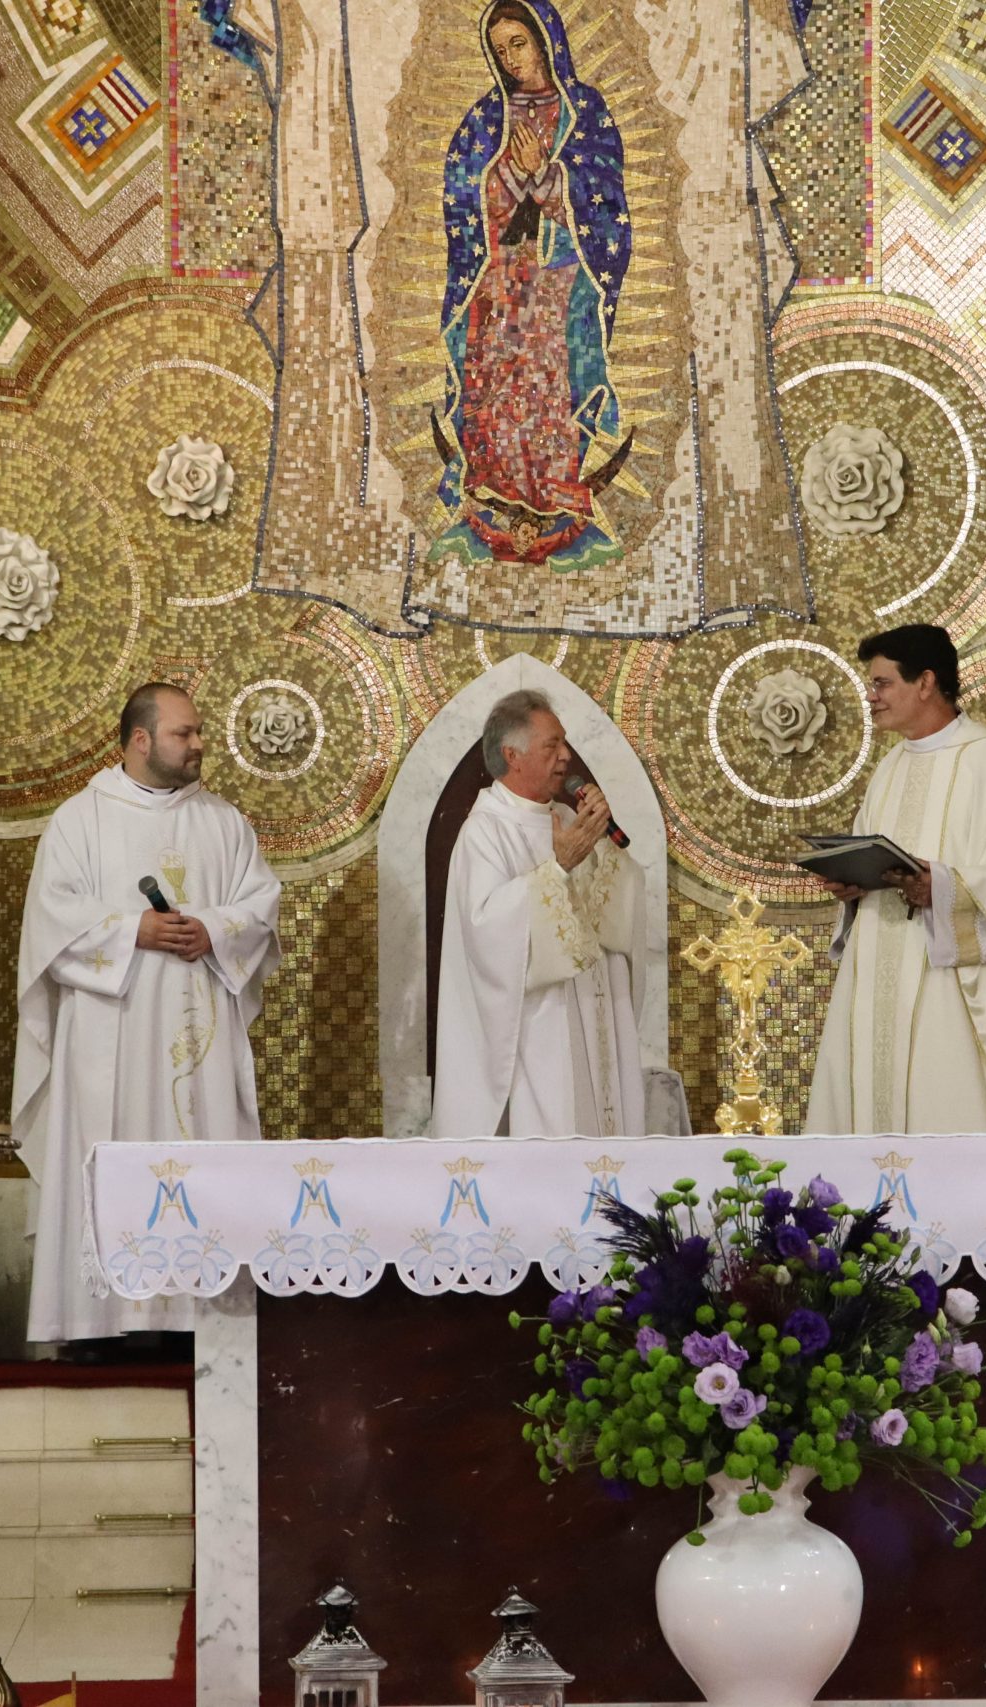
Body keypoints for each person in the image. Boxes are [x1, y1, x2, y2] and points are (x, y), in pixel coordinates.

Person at [14, 683, 282, 1344]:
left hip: (200, 1040)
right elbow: (50, 919)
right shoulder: (81, 820)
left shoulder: (224, 822)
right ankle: (98, 1325)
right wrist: (134, 929)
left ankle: (200, 1320)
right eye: (183, 733)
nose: (198, 745)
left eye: (197, 732)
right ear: (140, 740)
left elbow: (260, 906)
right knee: (112, 1153)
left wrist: (212, 929)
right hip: (111, 1038)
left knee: (202, 1158)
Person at [804, 624, 986, 1135]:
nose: (871, 696)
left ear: (926, 682)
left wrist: (943, 886)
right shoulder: (889, 769)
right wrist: (853, 886)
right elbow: (870, 853)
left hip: (950, 982)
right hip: (877, 971)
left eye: (882, 683)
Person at [430, 0, 631, 571]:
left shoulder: (585, 110)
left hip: (558, 277)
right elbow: (462, 194)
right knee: (494, 386)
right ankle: (490, 498)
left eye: (518, 43)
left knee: (548, 389)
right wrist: (509, 172)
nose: (511, 59)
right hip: (499, 276)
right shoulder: (486, 117)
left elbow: (605, 198)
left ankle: (556, 502)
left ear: (545, 42)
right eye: (500, 51)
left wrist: (545, 173)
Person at [431, 689, 647, 1136]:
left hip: (593, 1011)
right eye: (553, 745)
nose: (566, 755)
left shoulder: (568, 819)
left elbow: (611, 914)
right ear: (513, 755)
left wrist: (606, 852)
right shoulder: (484, 832)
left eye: (564, 743)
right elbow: (486, 931)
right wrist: (557, 869)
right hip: (540, 1027)